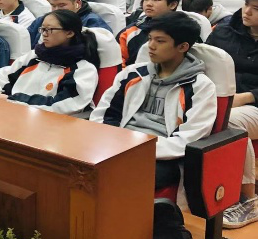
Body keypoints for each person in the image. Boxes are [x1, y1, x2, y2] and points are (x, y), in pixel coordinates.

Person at [92, 12, 216, 194]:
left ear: (182, 46)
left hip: (163, 156)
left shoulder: (200, 86)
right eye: (150, 39)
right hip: (120, 145)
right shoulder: (133, 73)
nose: (150, 46)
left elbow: (190, 137)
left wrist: (137, 150)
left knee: (118, 177)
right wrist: (113, 143)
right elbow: (104, 113)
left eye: (160, 41)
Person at [0, 9, 100, 116]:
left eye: (50, 29)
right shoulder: (34, 56)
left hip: (52, 124)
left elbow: (62, 105)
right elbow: (3, 76)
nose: (44, 34)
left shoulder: (83, 69)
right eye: (42, 29)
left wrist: (13, 100)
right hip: (12, 113)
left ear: (70, 33)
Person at [206, 0, 258, 227]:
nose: (247, 11)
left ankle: (248, 198)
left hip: (250, 104)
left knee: (228, 121)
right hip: (220, 99)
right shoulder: (224, 31)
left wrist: (245, 97)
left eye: (255, 8)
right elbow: (203, 63)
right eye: (246, 4)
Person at [117, 0, 181, 66]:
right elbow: (118, 63)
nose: (149, 4)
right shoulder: (131, 32)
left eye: (156, 0)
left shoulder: (183, 30)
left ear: (172, 5)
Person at [27, 0, 111, 47]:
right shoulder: (42, 20)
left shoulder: (93, 23)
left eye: (62, 5)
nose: (56, 10)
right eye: (53, 6)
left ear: (77, 3)